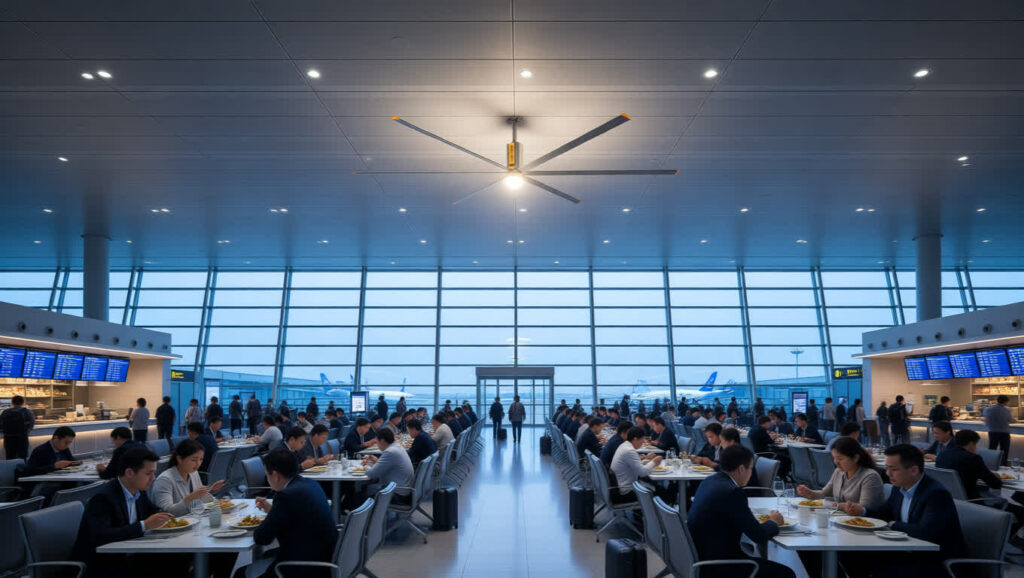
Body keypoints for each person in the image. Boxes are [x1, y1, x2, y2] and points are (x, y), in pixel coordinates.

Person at [840, 444, 966, 578]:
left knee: (883, 569)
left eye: (893, 469)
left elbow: (926, 533)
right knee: (849, 554)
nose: (888, 474)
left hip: (934, 561)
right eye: (887, 468)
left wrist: (892, 524)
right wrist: (862, 511)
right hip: (906, 551)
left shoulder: (935, 494)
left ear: (913, 470)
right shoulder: (899, 487)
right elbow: (885, 512)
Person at [71, 447, 184, 578]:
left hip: (130, 555)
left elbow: (153, 511)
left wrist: (166, 516)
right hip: (103, 564)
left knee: (178, 559)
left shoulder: (138, 490)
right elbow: (101, 536)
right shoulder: (103, 498)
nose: (153, 478)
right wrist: (143, 525)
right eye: (149, 474)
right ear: (129, 472)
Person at [687, 445, 794, 578]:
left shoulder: (710, 480)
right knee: (787, 574)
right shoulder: (733, 492)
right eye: (751, 469)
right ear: (741, 469)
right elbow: (758, 535)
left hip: (700, 557)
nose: (751, 473)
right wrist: (773, 522)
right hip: (719, 566)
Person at [251, 449, 338, 578]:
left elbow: (262, 538)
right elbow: (297, 516)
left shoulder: (286, 496)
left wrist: (271, 515)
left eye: (266, 475)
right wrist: (273, 510)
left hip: (305, 567)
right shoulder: (310, 483)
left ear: (275, 475)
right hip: (325, 557)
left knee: (240, 573)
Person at [798, 436, 885, 509]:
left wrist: (837, 506)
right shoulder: (839, 472)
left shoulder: (870, 477)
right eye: (834, 458)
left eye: (840, 459)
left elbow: (864, 508)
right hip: (842, 521)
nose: (836, 462)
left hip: (863, 524)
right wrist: (809, 493)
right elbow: (824, 493)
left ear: (855, 458)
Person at [150, 439, 225, 515]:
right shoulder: (164, 480)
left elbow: (199, 500)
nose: (198, 464)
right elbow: (166, 512)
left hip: (193, 519)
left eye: (201, 459)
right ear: (179, 459)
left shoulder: (193, 473)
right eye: (193, 460)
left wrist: (210, 490)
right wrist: (190, 498)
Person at [935, 429, 1003, 500]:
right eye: (975, 444)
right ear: (971, 443)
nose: (976, 447)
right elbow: (995, 484)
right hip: (971, 501)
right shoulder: (972, 458)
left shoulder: (942, 454)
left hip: (948, 499)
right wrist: (996, 476)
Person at [363, 428, 415, 505]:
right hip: (404, 490)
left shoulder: (390, 452)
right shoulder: (398, 447)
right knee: (367, 489)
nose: (377, 445)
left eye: (377, 442)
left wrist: (365, 465)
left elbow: (371, 474)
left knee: (362, 494)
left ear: (382, 441)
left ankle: (358, 515)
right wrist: (377, 462)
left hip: (397, 494)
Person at [610, 427, 663, 501]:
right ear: (635, 439)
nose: (642, 443)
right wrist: (654, 461)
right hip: (627, 490)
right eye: (642, 440)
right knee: (660, 491)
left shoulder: (624, 445)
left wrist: (646, 459)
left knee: (655, 486)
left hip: (621, 485)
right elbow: (642, 472)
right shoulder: (629, 450)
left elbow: (633, 465)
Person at [0, 395, 34, 459]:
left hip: (8, 438)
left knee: (10, 456)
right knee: (23, 457)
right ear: (22, 403)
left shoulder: (5, 412)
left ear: (12, 402)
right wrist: (26, 431)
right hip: (22, 437)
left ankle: (10, 468)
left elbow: (0, 425)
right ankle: (22, 468)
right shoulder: (26, 411)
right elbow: (31, 424)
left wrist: (4, 432)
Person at [984, 395, 1014, 465]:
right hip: (1004, 432)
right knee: (1004, 450)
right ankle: (1003, 465)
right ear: (1006, 402)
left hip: (992, 432)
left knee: (992, 449)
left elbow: (985, 419)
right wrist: (1016, 421)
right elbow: (1010, 420)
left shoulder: (988, 409)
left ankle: (991, 464)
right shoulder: (1007, 410)